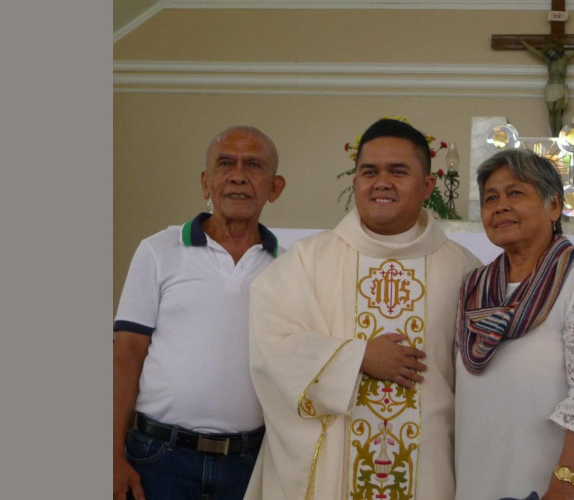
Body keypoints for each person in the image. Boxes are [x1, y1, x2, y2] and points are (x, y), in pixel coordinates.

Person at [244, 118, 481, 500]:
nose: (381, 182)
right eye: (369, 171)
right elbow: (270, 349)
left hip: (429, 470)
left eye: (398, 172)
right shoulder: (307, 261)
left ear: (428, 186)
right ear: (355, 182)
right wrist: (357, 357)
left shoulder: (464, 270)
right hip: (331, 475)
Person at [113, 126, 287, 500]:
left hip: (250, 463)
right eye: (226, 163)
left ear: (275, 187)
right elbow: (126, 355)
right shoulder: (158, 250)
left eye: (253, 165)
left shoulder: (289, 268)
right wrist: (110, 455)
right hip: (159, 459)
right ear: (206, 183)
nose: (238, 175)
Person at [455, 149, 574, 500]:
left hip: (553, 488)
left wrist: (560, 491)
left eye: (515, 193)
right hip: (478, 477)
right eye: (490, 197)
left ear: (554, 207)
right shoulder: (473, 288)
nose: (500, 205)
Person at [518, 36, 574, 137]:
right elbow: (535, 52)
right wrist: (523, 43)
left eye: (551, 52)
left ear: (556, 51)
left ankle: (557, 135)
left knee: (557, 111)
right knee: (551, 111)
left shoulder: (564, 60)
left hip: (560, 86)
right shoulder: (549, 62)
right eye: (548, 53)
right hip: (550, 87)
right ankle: (553, 135)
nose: (550, 55)